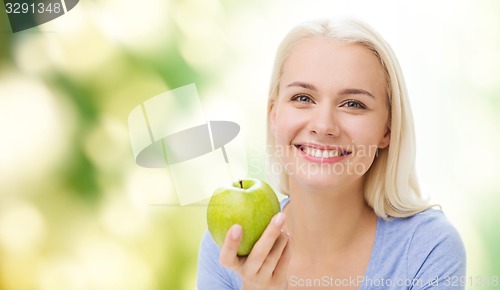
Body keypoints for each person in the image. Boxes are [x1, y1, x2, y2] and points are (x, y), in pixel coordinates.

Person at [197, 18, 466, 290]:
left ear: (388, 129)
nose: (324, 126)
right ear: (274, 115)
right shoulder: (231, 243)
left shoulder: (426, 249)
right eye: (303, 98)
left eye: (353, 104)